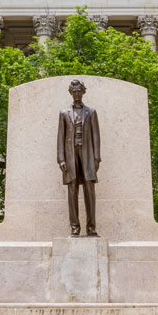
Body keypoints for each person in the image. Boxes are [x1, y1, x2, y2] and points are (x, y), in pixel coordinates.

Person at [57, 79, 101, 236]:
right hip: (70, 154)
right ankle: (75, 227)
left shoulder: (91, 112)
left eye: (79, 91)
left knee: (89, 189)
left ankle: (91, 228)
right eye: (74, 91)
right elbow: (60, 137)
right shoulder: (64, 113)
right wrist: (61, 159)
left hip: (87, 153)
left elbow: (96, 135)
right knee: (72, 189)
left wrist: (96, 158)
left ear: (83, 92)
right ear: (70, 92)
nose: (76, 94)